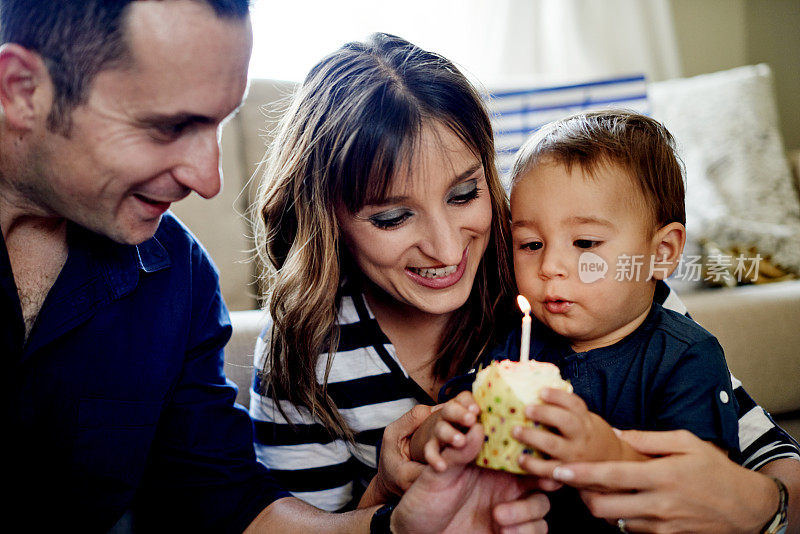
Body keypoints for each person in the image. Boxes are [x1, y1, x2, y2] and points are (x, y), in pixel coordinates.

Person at [1, 3, 550, 533]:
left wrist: (393, 522)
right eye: (167, 127)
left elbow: (228, 505)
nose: (209, 180)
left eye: (217, 125)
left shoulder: (176, 280)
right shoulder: (310, 351)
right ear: (21, 89)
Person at [249, 31, 800, 533]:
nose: (445, 250)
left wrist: (753, 503)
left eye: (465, 194)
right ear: (327, 218)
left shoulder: (594, 295)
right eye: (393, 217)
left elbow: (768, 467)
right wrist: (393, 488)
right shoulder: (308, 348)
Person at [415, 110, 741, 531]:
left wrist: (611, 453)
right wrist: (440, 432)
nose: (550, 266)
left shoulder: (685, 358)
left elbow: (705, 496)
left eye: (585, 243)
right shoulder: (518, 344)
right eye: (530, 244)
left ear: (660, 253)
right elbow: (458, 413)